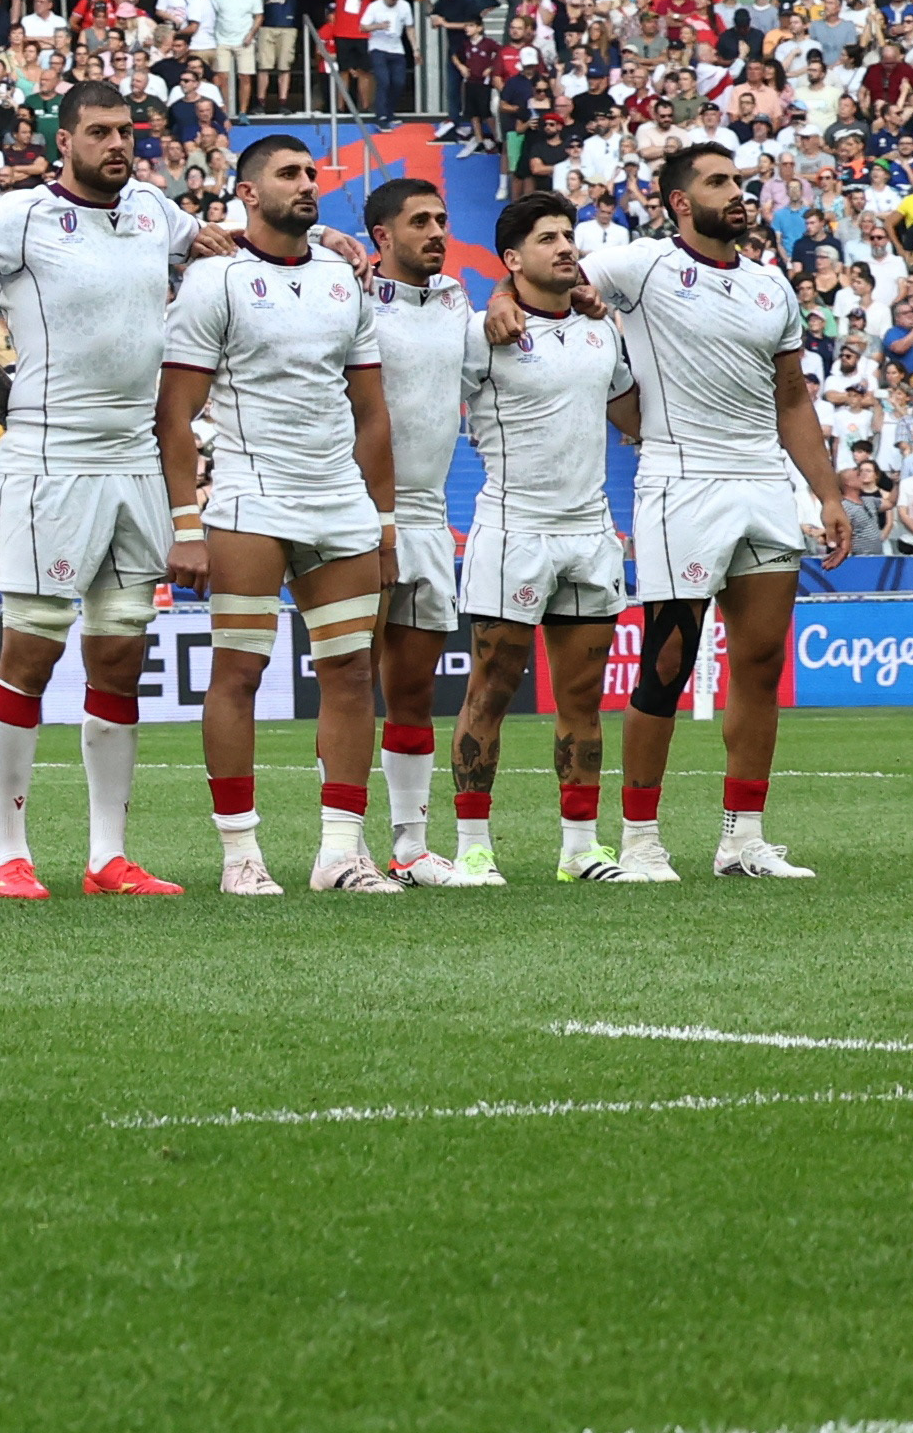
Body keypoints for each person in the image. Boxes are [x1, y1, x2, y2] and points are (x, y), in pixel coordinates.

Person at [0, 84, 194, 896]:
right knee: (30, 653)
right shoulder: (20, 216)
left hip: (136, 459)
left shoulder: (154, 209)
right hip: (49, 457)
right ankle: (10, 853)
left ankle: (108, 854)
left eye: (127, 131)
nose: (118, 144)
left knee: (119, 655)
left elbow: (223, 250)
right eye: (100, 132)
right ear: (63, 141)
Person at [564, 140, 852, 878]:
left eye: (739, 179)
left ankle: (742, 838)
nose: (737, 190)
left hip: (763, 480)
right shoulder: (642, 264)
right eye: (719, 181)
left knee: (759, 662)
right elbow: (551, 275)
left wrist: (825, 492)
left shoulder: (769, 287)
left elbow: (792, 398)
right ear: (681, 202)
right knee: (668, 658)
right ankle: (640, 841)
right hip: (680, 480)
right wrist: (504, 301)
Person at [156, 134, 401, 897]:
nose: (307, 184)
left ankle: (340, 853)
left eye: (311, 173)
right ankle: (241, 856)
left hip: (339, 500)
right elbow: (176, 409)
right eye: (288, 174)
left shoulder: (342, 276)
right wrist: (186, 525)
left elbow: (373, 413)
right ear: (249, 193)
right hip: (249, 498)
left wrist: (384, 520)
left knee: (353, 673)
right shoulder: (215, 281)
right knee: (239, 670)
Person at [446, 188, 634, 883]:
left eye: (569, 234)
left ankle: (580, 847)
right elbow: (435, 409)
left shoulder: (601, 330)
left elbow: (631, 413)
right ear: (512, 258)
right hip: (512, 527)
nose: (565, 246)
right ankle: (472, 846)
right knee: (490, 689)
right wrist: (498, 295)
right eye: (548, 237)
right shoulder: (480, 330)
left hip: (589, 531)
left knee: (582, 699)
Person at [356, 175, 481, 879]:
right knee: (350, 684)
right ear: (382, 236)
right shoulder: (351, 296)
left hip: (430, 516)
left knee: (412, 689)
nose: (436, 231)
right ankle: (343, 842)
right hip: (357, 515)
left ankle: (409, 845)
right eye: (420, 221)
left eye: (441, 218)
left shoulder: (458, 302)